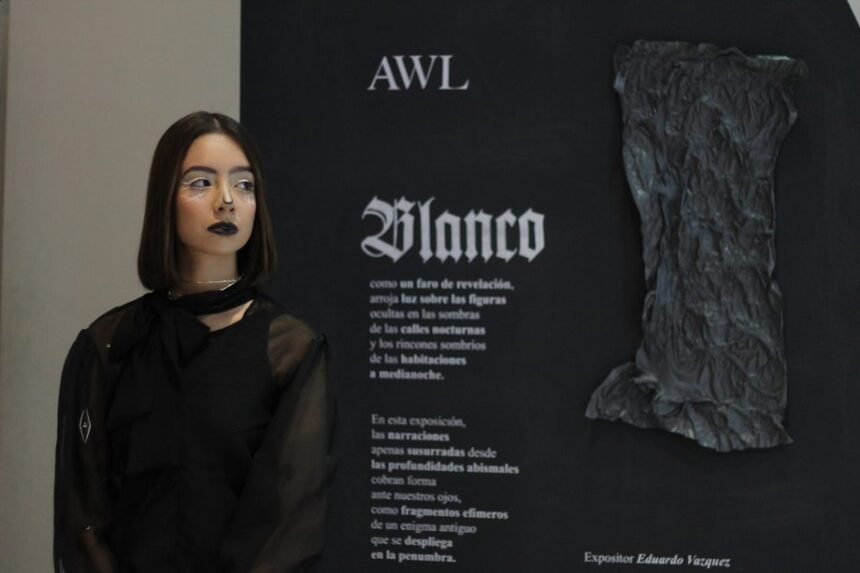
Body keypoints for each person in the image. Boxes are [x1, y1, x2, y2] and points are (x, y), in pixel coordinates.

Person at [53, 112, 331, 572]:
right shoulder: (108, 345)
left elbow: (291, 521)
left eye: (244, 185)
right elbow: (82, 517)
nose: (227, 201)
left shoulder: (289, 351)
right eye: (201, 183)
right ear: (165, 198)